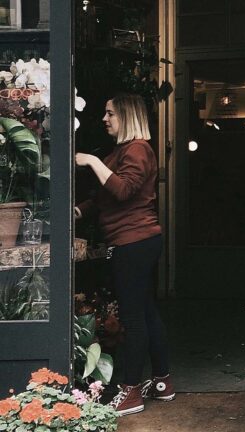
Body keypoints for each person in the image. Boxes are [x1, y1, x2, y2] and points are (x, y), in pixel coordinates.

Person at [75, 93, 174, 416]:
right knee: (145, 313)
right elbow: (106, 197)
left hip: (133, 244)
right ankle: (162, 382)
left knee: (133, 319)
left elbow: (123, 190)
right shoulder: (122, 151)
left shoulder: (138, 150)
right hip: (137, 243)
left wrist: (91, 160)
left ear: (127, 116)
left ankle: (130, 392)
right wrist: (78, 210)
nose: (104, 119)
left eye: (110, 114)